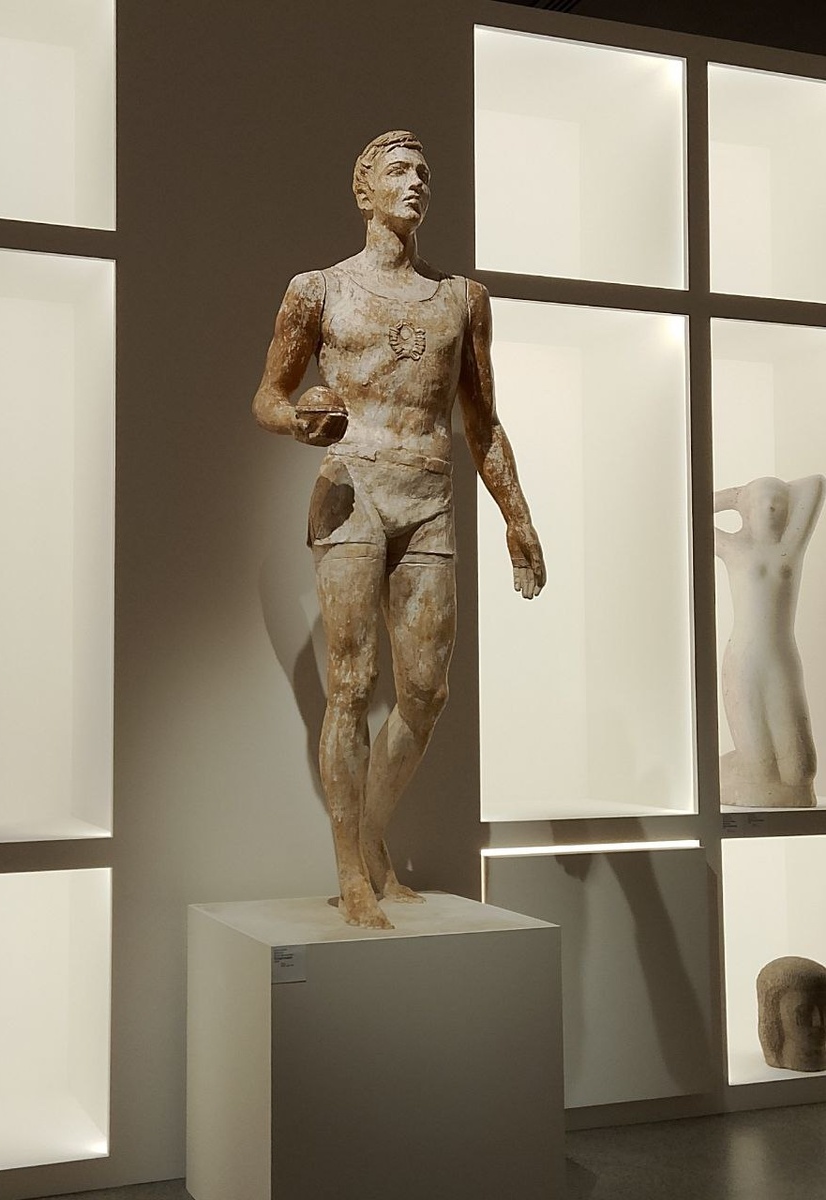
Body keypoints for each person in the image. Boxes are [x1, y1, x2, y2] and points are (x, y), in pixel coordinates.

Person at [253, 131, 545, 927]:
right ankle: (351, 872)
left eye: (424, 172)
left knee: (425, 690)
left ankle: (370, 838)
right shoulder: (319, 290)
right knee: (351, 684)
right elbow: (269, 396)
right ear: (364, 190)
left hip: (428, 494)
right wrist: (299, 420)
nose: (416, 182)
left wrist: (517, 517)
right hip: (352, 490)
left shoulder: (462, 300)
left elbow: (481, 422)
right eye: (399, 170)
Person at [715, 474, 825, 807]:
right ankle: (719, 774)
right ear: (747, 512)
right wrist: (737, 496)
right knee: (760, 768)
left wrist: (753, 494)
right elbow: (690, 512)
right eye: (762, 502)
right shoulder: (734, 547)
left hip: (782, 661)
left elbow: (815, 485)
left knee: (801, 772)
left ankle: (740, 775)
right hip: (743, 663)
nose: (772, 508)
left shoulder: (790, 547)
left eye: (778, 501)